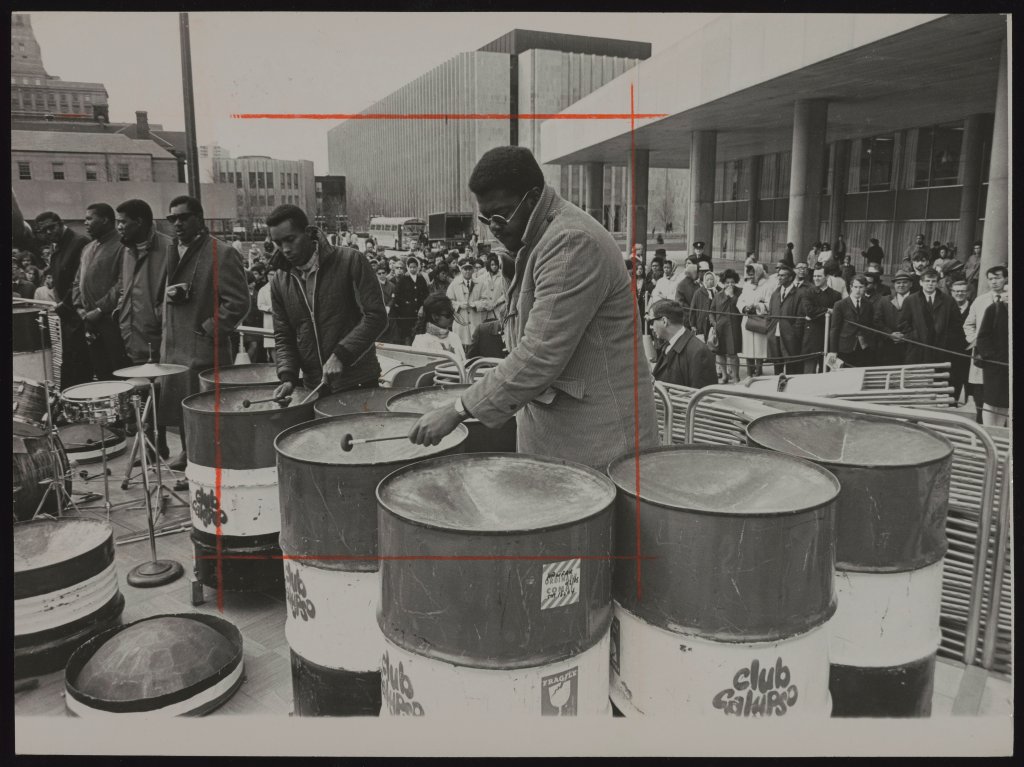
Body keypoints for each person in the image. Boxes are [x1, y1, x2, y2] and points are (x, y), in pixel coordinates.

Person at [408, 145, 658, 469]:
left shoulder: (571, 243)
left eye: (500, 216)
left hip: (597, 444)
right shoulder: (537, 239)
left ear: (532, 198)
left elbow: (540, 353)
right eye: (487, 219)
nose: (494, 228)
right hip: (557, 438)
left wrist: (458, 409)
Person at [160, 195, 250, 470]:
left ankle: (206, 459)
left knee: (206, 407)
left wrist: (209, 329)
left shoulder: (221, 253)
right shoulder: (172, 250)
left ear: (199, 219)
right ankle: (189, 451)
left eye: (184, 217)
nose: (177, 223)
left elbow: (238, 302)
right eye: (172, 218)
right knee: (183, 404)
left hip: (203, 347)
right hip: (175, 346)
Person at [267, 205, 387, 403]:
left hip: (358, 383)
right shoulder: (279, 281)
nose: (285, 249)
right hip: (314, 387)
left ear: (307, 233)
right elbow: (284, 335)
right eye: (278, 243)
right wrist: (287, 377)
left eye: (290, 239)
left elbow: (376, 316)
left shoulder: (351, 261)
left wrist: (341, 355)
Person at [114, 199, 173, 459]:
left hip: (158, 336)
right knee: (141, 392)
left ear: (139, 222)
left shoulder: (169, 247)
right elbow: (125, 286)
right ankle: (151, 449)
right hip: (132, 332)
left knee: (160, 394)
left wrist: (158, 315)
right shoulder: (127, 250)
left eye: (123, 222)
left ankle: (161, 447)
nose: (119, 228)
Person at [37, 211, 91, 388]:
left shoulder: (79, 242)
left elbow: (80, 280)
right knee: (70, 362)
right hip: (67, 315)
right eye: (43, 231)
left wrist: (65, 304)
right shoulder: (57, 246)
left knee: (80, 364)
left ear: (61, 223)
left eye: (51, 227)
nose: (48, 233)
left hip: (79, 313)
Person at [72, 203, 127, 380]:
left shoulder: (123, 245)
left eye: (90, 218)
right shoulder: (87, 248)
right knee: (102, 373)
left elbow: (123, 282)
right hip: (89, 323)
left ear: (105, 220)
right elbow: (77, 281)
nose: (85, 222)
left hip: (113, 322)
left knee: (120, 372)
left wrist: (100, 309)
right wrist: (79, 307)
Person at [963, 265, 1008, 424]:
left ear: (1006, 279)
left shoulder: (1009, 300)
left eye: (998, 278)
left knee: (1002, 399)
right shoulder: (980, 300)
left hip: (1003, 358)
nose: (994, 282)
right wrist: (976, 340)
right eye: (990, 279)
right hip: (983, 356)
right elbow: (968, 324)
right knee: (982, 395)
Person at [650, 300, 718, 389]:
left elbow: (703, 398)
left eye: (651, 322)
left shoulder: (699, 352)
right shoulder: (669, 345)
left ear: (664, 321)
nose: (651, 326)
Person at [899, 268, 958, 366]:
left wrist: (946, 339)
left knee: (939, 378)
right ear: (921, 282)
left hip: (941, 350)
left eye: (933, 281)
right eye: (927, 281)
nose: (930, 284)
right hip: (918, 349)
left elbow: (956, 324)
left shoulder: (948, 301)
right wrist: (915, 336)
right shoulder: (910, 300)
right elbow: (903, 324)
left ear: (937, 283)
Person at [973, 290, 1009, 427]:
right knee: (991, 401)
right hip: (994, 365)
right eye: (1006, 292)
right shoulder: (994, 309)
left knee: (1006, 402)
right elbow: (982, 336)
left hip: (1009, 365)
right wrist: (991, 357)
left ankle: (1001, 431)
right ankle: (990, 431)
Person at [799, 264, 843, 373]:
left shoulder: (836, 295)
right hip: (812, 338)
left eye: (819, 276)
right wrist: (827, 310)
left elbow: (837, 316)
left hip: (828, 337)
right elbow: (808, 311)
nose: (816, 279)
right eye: (814, 276)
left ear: (827, 277)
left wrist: (815, 314)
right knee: (809, 372)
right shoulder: (808, 292)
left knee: (828, 371)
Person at [828, 275, 876, 369]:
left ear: (865, 288)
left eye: (861, 287)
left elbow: (870, 325)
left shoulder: (868, 305)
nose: (858, 290)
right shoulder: (840, 305)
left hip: (863, 347)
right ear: (851, 287)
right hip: (845, 347)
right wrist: (833, 350)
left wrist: (870, 344)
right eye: (855, 287)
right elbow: (834, 329)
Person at [766, 262, 805, 375]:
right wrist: (769, 329)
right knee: (777, 366)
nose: (779, 277)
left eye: (783, 275)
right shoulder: (775, 293)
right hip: (774, 335)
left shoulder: (799, 294)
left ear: (791, 278)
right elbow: (770, 313)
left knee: (791, 367)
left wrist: (794, 333)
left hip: (790, 337)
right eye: (779, 275)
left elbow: (800, 317)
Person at [873, 270, 913, 367]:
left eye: (905, 282)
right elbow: (877, 321)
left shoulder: (918, 300)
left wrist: (906, 337)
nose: (901, 285)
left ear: (911, 284)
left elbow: (922, 324)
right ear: (894, 285)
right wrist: (890, 334)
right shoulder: (885, 300)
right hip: (888, 347)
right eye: (898, 283)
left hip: (910, 347)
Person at [737, 262, 771, 377]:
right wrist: (744, 307)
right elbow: (740, 300)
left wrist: (758, 307)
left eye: (753, 274)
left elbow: (769, 303)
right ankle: (749, 371)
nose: (751, 276)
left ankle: (759, 369)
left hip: (759, 319)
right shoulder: (746, 286)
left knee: (759, 346)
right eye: (750, 274)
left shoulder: (767, 286)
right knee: (748, 347)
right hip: (747, 319)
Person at [411, 293, 466, 364]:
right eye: (448, 315)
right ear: (434, 316)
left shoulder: (454, 337)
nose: (453, 318)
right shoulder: (421, 341)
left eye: (453, 314)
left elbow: (464, 364)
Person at [710, 269, 742, 383]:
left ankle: (736, 376)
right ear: (723, 282)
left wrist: (732, 296)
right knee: (720, 353)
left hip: (734, 327)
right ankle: (724, 376)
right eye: (727, 282)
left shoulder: (740, 292)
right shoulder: (718, 295)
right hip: (720, 328)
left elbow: (739, 307)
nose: (730, 284)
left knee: (733, 354)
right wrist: (714, 324)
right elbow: (711, 311)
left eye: (732, 282)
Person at [447, 258, 485, 347]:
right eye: (465, 269)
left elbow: (486, 301)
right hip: (461, 321)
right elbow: (448, 301)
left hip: (475, 320)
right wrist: (459, 305)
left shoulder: (480, 283)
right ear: (461, 269)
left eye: (470, 269)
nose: (467, 271)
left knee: (475, 344)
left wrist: (475, 304)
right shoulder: (454, 283)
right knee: (461, 345)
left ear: (473, 270)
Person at [393, 255, 430, 345]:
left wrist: (422, 307)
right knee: (407, 335)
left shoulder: (421, 279)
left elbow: (426, 295)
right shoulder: (403, 280)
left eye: (414, 267)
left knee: (419, 334)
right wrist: (405, 305)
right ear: (407, 268)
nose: (412, 269)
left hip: (419, 313)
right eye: (410, 267)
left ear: (417, 268)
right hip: (406, 313)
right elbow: (397, 296)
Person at [947, 279, 972, 407]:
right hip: (952, 354)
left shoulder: (974, 306)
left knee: (970, 390)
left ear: (968, 293)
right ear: (951, 292)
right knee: (952, 390)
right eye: (956, 291)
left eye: (962, 291)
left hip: (970, 355)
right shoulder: (946, 307)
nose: (959, 294)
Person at [478, 253, 509, 322]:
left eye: (496, 264)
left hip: (499, 308)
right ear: (488, 265)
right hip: (485, 310)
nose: (494, 266)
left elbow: (506, 292)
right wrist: (485, 304)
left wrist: (495, 303)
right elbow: (478, 293)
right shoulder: (482, 277)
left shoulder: (503, 276)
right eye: (492, 265)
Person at [688, 269, 718, 342]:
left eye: (711, 279)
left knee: (712, 342)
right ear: (704, 281)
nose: (710, 281)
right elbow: (693, 308)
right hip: (701, 322)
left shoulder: (717, 292)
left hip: (714, 322)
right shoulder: (699, 292)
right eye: (707, 280)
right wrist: (692, 325)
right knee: (702, 341)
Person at [257, 264, 277, 363]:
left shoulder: (282, 287)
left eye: (274, 274)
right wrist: (270, 309)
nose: (271, 277)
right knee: (271, 344)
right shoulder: (263, 290)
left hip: (281, 320)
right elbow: (260, 305)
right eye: (270, 274)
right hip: (270, 320)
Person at [674, 262, 700, 326]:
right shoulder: (683, 284)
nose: (698, 274)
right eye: (697, 272)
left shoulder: (694, 283)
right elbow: (681, 302)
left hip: (693, 315)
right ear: (693, 273)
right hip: (687, 317)